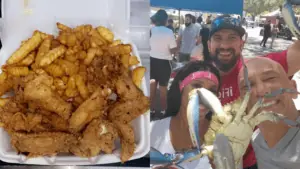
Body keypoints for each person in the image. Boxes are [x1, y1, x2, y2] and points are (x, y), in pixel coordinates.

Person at [207, 15, 300, 169]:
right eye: (218, 38)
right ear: (209, 44)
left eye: (232, 38)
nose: (224, 44)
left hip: (256, 160)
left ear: (241, 43)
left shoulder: (260, 68)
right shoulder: (197, 78)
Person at [151, 61, 221, 169]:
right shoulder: (151, 131)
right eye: (197, 86)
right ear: (181, 86)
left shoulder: (223, 140)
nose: (205, 96)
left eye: (212, 91)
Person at [238, 57, 300, 169]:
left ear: (293, 88)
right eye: (247, 86)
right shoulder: (257, 139)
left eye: (270, 78)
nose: (261, 90)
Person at [150, 9, 177, 116]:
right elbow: (173, 49)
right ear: (165, 20)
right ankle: (163, 111)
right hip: (164, 64)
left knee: (152, 90)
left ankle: (151, 110)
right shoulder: (169, 32)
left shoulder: (151, 30)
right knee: (163, 90)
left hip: (152, 62)